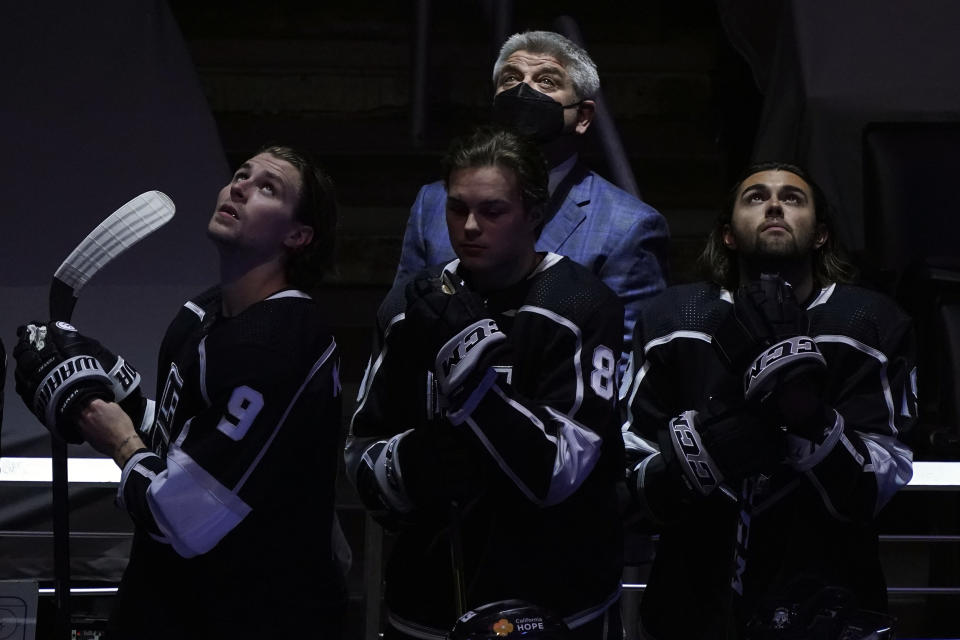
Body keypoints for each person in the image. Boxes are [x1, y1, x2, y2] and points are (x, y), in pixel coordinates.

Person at [13, 145, 347, 638]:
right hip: (176, 601)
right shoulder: (204, 313)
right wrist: (112, 388)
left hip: (250, 613)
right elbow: (186, 443)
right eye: (241, 174)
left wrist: (118, 440)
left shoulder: (277, 344)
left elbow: (182, 517)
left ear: (298, 235)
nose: (240, 187)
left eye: (267, 188)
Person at [346, 127, 625, 640]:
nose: (470, 226)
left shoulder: (582, 306)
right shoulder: (410, 305)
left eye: (492, 211)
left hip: (557, 606)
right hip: (426, 604)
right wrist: (418, 462)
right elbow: (361, 454)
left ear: (535, 215)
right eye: (456, 209)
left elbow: (561, 473)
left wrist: (472, 375)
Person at [621, 162, 917, 639]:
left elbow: (879, 484)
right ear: (728, 236)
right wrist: (708, 451)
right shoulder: (671, 318)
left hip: (831, 604)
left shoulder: (871, 321)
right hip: (691, 604)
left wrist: (807, 415)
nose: (775, 205)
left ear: (821, 234)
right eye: (755, 197)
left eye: (793, 198)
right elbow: (629, 475)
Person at [395, 30, 670, 372]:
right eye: (511, 78)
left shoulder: (628, 226)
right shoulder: (434, 201)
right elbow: (400, 321)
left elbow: (628, 361)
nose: (523, 90)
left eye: (546, 81)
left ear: (582, 116)